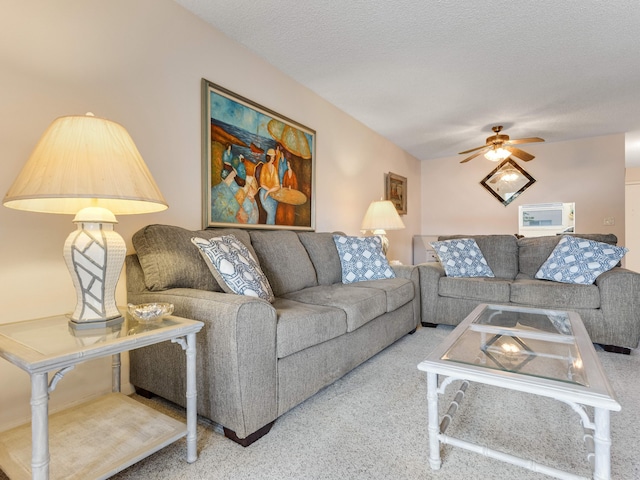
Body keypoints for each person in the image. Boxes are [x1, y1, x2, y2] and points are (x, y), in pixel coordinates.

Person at [258, 149, 280, 224]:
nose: (273, 158)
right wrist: (267, 191)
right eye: (272, 157)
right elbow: (262, 183)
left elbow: (277, 185)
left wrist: (269, 191)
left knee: (273, 212)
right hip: (264, 192)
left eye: (274, 157)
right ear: (269, 157)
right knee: (271, 212)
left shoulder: (274, 168)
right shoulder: (264, 167)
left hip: (272, 194)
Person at [276, 160, 298, 225]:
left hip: (291, 196)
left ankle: (289, 224)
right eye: (287, 164)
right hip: (285, 194)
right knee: (281, 210)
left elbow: (296, 185)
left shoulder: (293, 174)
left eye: (288, 164)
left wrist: (292, 189)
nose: (287, 165)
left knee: (289, 211)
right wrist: (284, 187)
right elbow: (283, 183)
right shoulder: (286, 173)